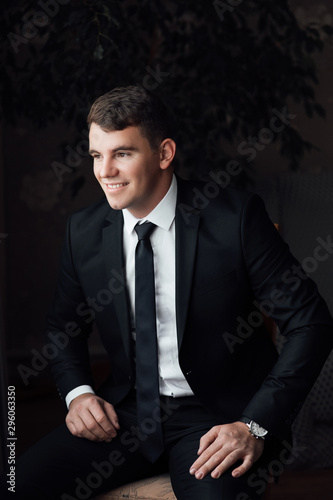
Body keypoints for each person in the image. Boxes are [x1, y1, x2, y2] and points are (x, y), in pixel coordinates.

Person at [5, 85, 333, 499]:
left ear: (164, 154)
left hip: (217, 418)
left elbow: (311, 324)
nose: (105, 171)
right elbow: (62, 326)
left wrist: (254, 424)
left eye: (122, 153)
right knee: (17, 484)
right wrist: (78, 394)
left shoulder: (235, 218)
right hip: (123, 415)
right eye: (96, 155)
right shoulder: (83, 232)